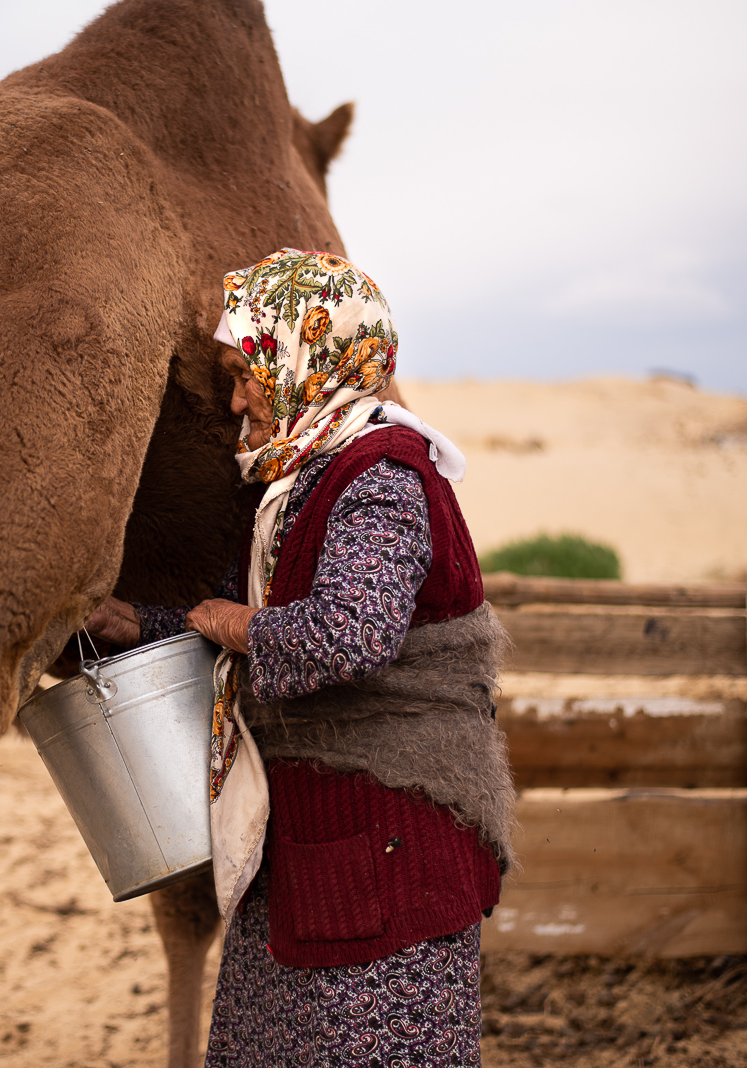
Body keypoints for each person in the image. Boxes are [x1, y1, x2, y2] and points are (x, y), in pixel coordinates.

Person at [86, 249, 515, 1067]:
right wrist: (136, 623)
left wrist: (226, 622)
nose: (239, 395)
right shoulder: (295, 482)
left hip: (390, 854)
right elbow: (238, 620)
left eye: (249, 369)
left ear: (307, 359)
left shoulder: (382, 477)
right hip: (310, 852)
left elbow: (349, 633)